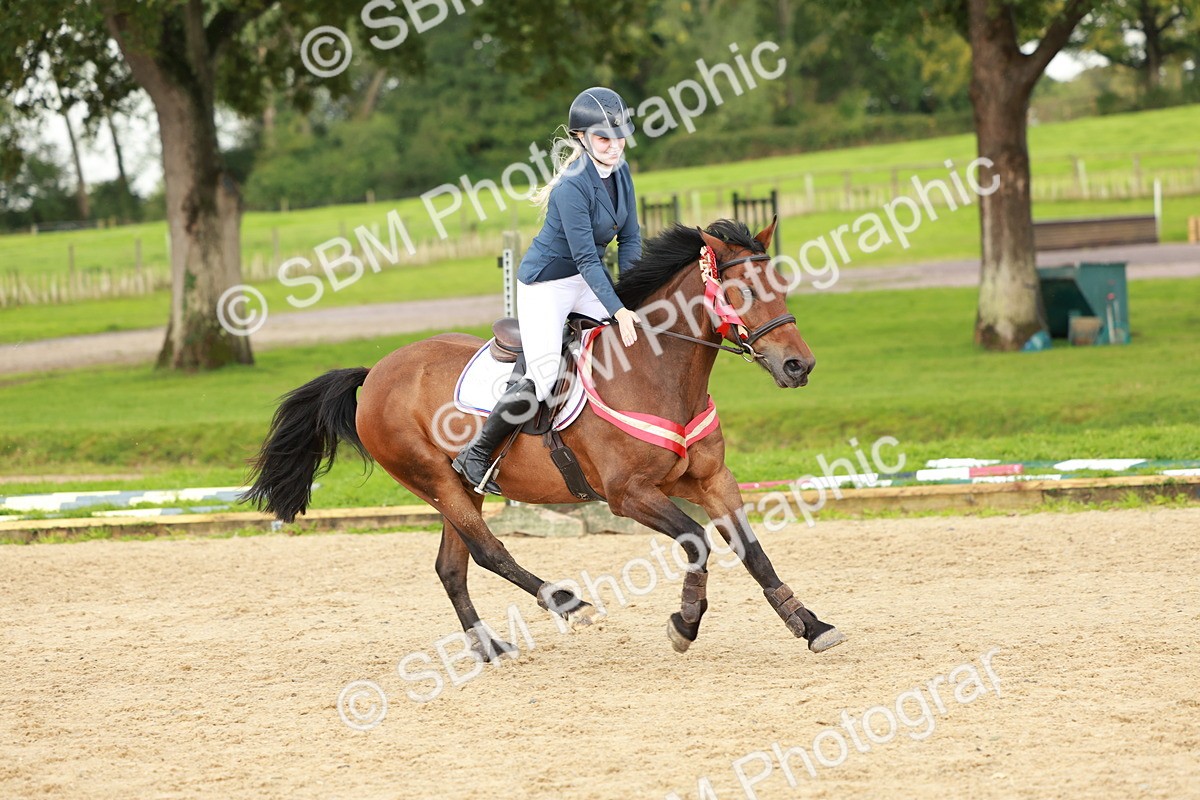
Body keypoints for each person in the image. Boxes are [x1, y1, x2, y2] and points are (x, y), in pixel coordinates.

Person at [452, 86, 644, 494]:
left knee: (632, 340)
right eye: (603, 139)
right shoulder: (571, 186)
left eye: (619, 136)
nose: (613, 146)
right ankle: (476, 455)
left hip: (585, 279)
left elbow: (630, 241)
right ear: (582, 138)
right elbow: (588, 260)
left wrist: (632, 297)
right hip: (548, 284)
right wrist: (619, 308)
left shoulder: (622, 172)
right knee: (542, 377)